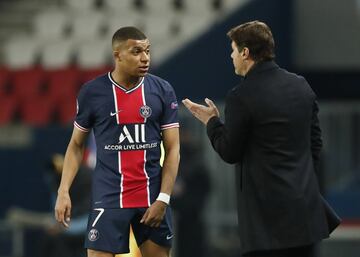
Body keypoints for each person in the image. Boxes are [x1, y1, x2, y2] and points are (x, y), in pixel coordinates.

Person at [182, 20, 341, 257]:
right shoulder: (301, 86)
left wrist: (212, 122)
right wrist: (301, 180)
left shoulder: (241, 96)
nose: (231, 56)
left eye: (234, 50)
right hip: (305, 211)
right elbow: (315, 145)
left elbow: (229, 151)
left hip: (266, 222)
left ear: (246, 53)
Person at [54, 26, 180, 257]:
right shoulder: (93, 92)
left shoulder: (162, 90)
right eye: (136, 51)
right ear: (117, 55)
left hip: (151, 197)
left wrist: (163, 198)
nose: (145, 58)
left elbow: (173, 149)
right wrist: (64, 191)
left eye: (148, 51)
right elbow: (75, 145)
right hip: (108, 198)